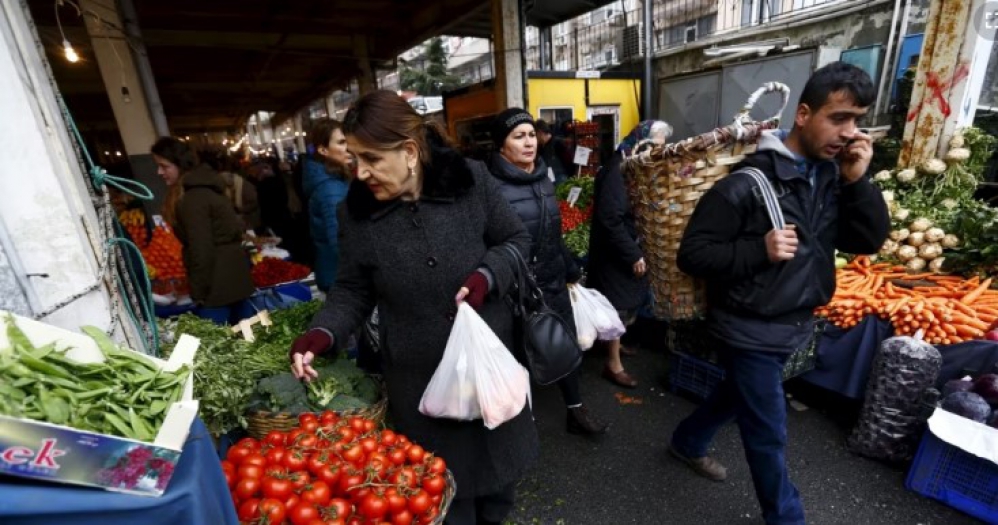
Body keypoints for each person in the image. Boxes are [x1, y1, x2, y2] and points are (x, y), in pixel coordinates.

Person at [288, 90, 538, 525]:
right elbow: (350, 289)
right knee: (444, 499)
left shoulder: (471, 181)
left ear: (408, 151)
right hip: (420, 383)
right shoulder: (356, 214)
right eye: (354, 159)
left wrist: (487, 276)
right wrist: (322, 333)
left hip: (487, 367)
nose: (360, 172)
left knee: (499, 491)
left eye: (370, 159)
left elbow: (515, 239)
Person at [668, 62, 890, 524]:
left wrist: (857, 182)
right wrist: (758, 250)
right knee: (768, 430)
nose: (849, 133)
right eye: (839, 117)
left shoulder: (830, 177)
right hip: (746, 326)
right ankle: (787, 518)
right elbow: (693, 255)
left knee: (738, 395)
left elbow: (864, 242)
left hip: (793, 321)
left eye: (858, 121)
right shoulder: (746, 184)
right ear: (804, 114)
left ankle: (687, 442)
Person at [487, 108, 608, 436]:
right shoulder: (490, 187)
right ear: (501, 146)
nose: (528, 143)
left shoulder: (543, 176)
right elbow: (492, 242)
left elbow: (552, 232)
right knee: (521, 356)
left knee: (565, 347)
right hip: (518, 290)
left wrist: (570, 268)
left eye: (530, 135)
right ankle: (521, 426)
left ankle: (576, 411)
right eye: (518, 136)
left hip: (553, 281)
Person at [587, 121, 672, 388]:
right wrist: (633, 254)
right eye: (653, 146)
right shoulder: (618, 171)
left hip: (621, 246)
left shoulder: (631, 165)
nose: (656, 152)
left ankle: (613, 345)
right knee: (617, 307)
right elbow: (609, 218)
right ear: (640, 140)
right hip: (615, 252)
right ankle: (613, 365)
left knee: (621, 303)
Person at [151, 137, 255, 325]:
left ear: (179, 164)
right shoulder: (205, 188)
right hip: (233, 277)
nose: (159, 172)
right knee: (248, 337)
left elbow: (201, 248)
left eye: (164, 166)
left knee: (219, 346)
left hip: (217, 287)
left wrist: (198, 292)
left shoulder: (192, 199)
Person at [301, 118, 353, 292]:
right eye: (341, 142)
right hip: (341, 279)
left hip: (335, 275)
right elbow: (340, 240)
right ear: (323, 150)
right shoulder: (330, 188)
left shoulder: (333, 181)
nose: (349, 147)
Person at [535, 119, 569, 183]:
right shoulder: (540, 147)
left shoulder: (558, 143)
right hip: (548, 181)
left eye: (535, 134)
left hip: (561, 180)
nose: (535, 138)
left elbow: (568, 162)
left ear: (540, 132)